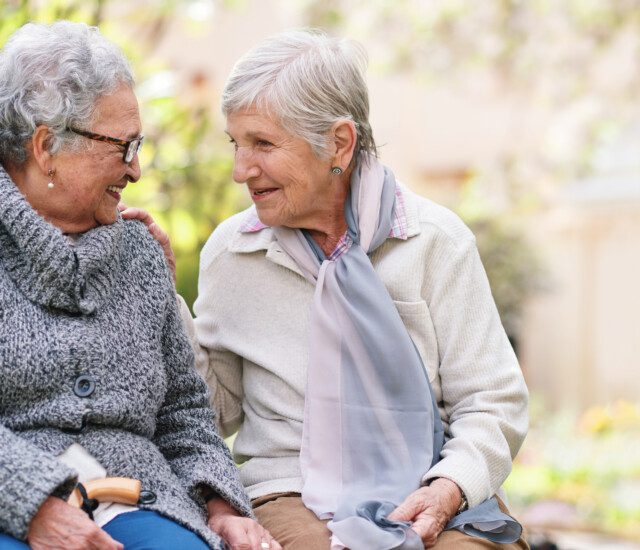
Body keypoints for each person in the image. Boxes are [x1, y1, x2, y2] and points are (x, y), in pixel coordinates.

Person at [126, 30, 530, 550]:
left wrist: (448, 488)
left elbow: (491, 400)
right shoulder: (233, 253)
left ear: (339, 143)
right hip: (288, 491)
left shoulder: (435, 242)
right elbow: (213, 410)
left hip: (432, 485)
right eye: (236, 143)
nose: (239, 170)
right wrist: (162, 296)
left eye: (263, 144)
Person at [0, 21, 280, 550]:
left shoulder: (138, 254)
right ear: (45, 147)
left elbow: (184, 411)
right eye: (123, 146)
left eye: (139, 144)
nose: (136, 169)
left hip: (139, 497)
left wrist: (223, 507)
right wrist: (33, 503)